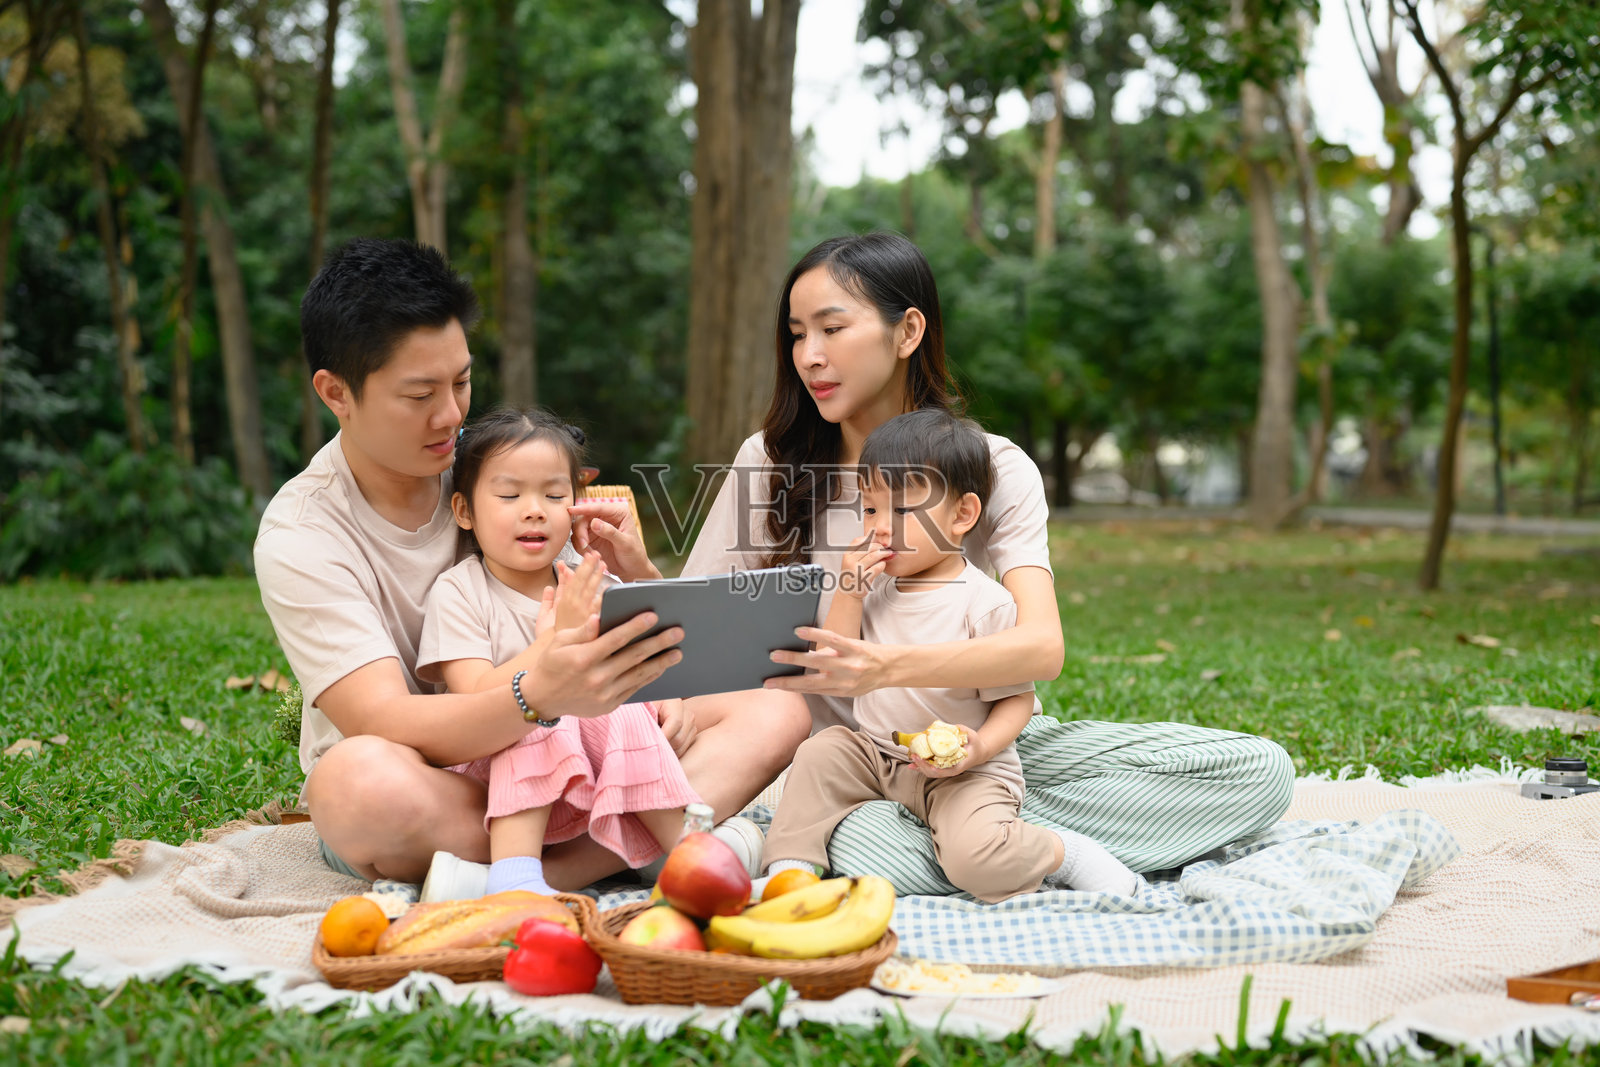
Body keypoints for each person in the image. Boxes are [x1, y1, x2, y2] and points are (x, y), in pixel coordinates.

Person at [681, 231, 1295, 894]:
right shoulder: (769, 463)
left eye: (832, 328)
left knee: (1260, 772)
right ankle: (952, 844)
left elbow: (1041, 647)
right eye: (797, 334)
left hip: (978, 746)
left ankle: (973, 840)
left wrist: (895, 675)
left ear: (908, 330)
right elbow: (695, 638)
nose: (810, 356)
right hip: (844, 762)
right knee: (852, 809)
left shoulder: (995, 467)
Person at [255, 238, 807, 889]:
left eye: (461, 381)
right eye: (419, 393)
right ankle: (635, 852)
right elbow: (387, 721)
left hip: (581, 743)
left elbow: (603, 630)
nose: (451, 414)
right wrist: (535, 693)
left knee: (777, 709)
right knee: (355, 787)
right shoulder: (304, 532)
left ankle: (541, 869)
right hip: (446, 779)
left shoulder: (503, 467)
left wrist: (639, 581)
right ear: (336, 393)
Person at [761, 409, 1137, 901]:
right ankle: (789, 873)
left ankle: (1063, 852)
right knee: (821, 752)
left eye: (901, 511)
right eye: (870, 509)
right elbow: (833, 663)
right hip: (877, 754)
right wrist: (849, 592)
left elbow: (1016, 701)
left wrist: (979, 749)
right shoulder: (873, 588)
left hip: (967, 771)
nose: (879, 527)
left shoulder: (984, 604)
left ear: (962, 515)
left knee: (977, 864)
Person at [415, 408, 702, 898]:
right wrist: (549, 647)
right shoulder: (460, 591)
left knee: (626, 704)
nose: (535, 509)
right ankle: (516, 876)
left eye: (554, 495)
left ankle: (686, 857)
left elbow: (655, 650)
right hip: (498, 773)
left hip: (592, 771)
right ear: (464, 511)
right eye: (510, 495)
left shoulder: (587, 578)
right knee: (540, 709)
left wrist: (662, 692)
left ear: (577, 505)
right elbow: (475, 697)